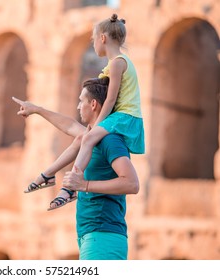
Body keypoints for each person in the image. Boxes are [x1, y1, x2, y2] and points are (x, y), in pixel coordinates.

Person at [21, 14, 145, 210]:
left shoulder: (117, 63)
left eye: (93, 39)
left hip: (124, 117)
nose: (93, 45)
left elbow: (111, 99)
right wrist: (36, 109)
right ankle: (47, 175)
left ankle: (70, 188)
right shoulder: (113, 64)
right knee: (82, 139)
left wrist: (97, 126)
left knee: (87, 138)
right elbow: (70, 125)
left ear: (103, 38)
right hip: (120, 116)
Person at [12, 77, 139, 260]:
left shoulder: (110, 140)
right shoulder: (91, 137)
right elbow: (68, 125)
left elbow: (132, 183)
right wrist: (37, 110)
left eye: (81, 101)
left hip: (103, 237)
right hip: (92, 235)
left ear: (93, 104)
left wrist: (84, 185)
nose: (79, 106)